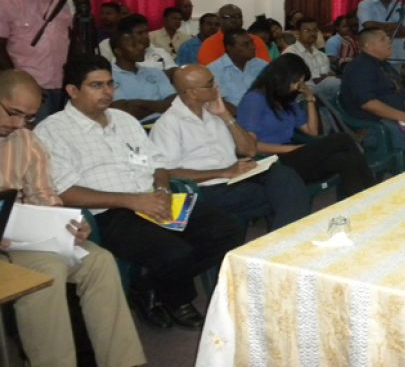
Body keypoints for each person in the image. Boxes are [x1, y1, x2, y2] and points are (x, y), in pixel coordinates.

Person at [34, 56, 244, 330]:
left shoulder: (123, 120)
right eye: (96, 86)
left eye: (110, 84)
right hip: (110, 212)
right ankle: (176, 298)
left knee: (228, 228)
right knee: (174, 252)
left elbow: (158, 164)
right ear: (73, 91)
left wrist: (161, 189)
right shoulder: (53, 130)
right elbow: (66, 191)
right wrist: (133, 201)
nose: (107, 92)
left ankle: (146, 284)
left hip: (152, 197)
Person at [0, 69, 145, 367]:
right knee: (48, 270)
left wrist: (65, 225)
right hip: (11, 244)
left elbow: (43, 193)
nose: (17, 125)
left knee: (99, 261)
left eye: (27, 117)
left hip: (20, 234)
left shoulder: (24, 139)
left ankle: (123, 362)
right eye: (13, 113)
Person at [149, 64, 310, 228]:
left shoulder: (214, 112)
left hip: (237, 177)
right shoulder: (168, 124)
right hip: (208, 188)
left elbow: (249, 150)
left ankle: (285, 239)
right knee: (285, 195)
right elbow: (168, 171)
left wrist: (225, 115)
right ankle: (287, 240)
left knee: (284, 176)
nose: (217, 86)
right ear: (192, 93)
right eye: (210, 84)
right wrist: (224, 172)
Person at [237, 53, 375, 200]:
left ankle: (353, 203)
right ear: (281, 77)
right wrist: (291, 149)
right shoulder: (255, 99)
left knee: (344, 159)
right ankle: (372, 191)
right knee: (342, 139)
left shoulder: (286, 101)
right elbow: (251, 147)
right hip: (270, 161)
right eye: (296, 82)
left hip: (293, 155)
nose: (298, 87)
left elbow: (312, 131)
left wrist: (310, 99)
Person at [0, 0, 72, 121]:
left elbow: (71, 36)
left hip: (64, 84)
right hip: (32, 87)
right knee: (37, 140)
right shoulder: (7, 2)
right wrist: (21, 86)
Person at [341, 27, 405, 153]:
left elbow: (404, 95)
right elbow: (369, 104)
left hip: (399, 120)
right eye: (383, 39)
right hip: (375, 127)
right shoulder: (359, 68)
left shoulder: (385, 66)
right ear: (369, 46)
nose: (389, 42)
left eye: (388, 38)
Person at [110, 31, 176, 120]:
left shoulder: (155, 72)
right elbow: (124, 112)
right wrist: (161, 106)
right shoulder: (110, 77)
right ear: (118, 51)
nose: (141, 47)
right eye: (134, 45)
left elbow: (174, 102)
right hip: (136, 127)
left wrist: (139, 104)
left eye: (140, 44)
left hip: (166, 122)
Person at [357, 0, 405, 67]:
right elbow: (369, 27)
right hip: (372, 57)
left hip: (397, 58)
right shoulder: (365, 4)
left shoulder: (401, 5)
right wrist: (396, 27)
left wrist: (378, 30)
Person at [99, 14, 177, 76]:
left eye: (146, 31)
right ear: (127, 36)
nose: (146, 36)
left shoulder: (159, 52)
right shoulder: (118, 54)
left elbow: (174, 71)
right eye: (140, 33)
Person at [207, 28, 268, 106]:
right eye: (246, 45)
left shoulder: (262, 65)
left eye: (252, 42)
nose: (253, 47)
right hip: (231, 115)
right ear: (230, 48)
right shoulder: (214, 70)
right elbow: (218, 102)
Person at [283, 17, 340, 99]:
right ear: (298, 32)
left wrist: (326, 78)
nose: (312, 33)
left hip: (323, 95)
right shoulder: (290, 53)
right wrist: (322, 79)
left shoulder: (322, 55)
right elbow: (294, 83)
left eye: (315, 30)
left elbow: (323, 78)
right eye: (307, 30)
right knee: (333, 83)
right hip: (300, 97)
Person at [197, 4, 271, 65]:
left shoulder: (255, 40)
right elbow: (211, 72)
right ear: (219, 20)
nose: (233, 20)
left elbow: (265, 68)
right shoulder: (209, 44)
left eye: (238, 17)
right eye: (228, 17)